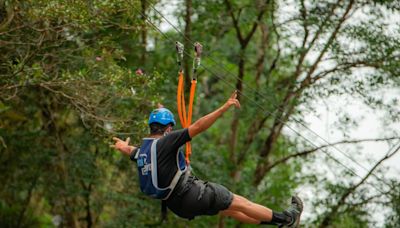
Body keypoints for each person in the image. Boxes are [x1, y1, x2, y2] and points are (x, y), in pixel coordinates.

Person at [112, 91, 303, 227]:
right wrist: (224, 107)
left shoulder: (144, 150)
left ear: (151, 127)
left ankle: (273, 222)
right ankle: (287, 219)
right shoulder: (167, 141)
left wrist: (122, 146)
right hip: (194, 194)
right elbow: (198, 126)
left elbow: (131, 151)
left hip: (178, 206)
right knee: (243, 203)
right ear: (168, 128)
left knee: (235, 211)